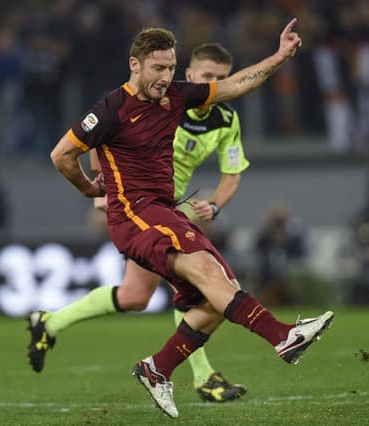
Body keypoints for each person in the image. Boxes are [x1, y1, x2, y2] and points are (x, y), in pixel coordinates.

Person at [40, 19, 333, 418]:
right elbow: (61, 155)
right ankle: (284, 337)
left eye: (170, 68)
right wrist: (90, 190)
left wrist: (280, 56)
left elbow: (236, 86)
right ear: (135, 65)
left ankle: (157, 368)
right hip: (136, 216)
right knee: (192, 280)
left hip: (164, 211)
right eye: (157, 68)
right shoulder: (111, 109)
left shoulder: (178, 98)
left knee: (216, 299)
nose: (165, 77)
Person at [28, 42, 251, 403]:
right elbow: (109, 137)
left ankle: (49, 323)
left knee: (136, 296)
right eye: (208, 76)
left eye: (221, 78)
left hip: (173, 212)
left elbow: (232, 174)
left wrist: (215, 205)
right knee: (190, 287)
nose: (215, 83)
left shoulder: (226, 120)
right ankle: (203, 376)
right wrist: (105, 191)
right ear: (190, 76)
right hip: (141, 209)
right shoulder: (163, 101)